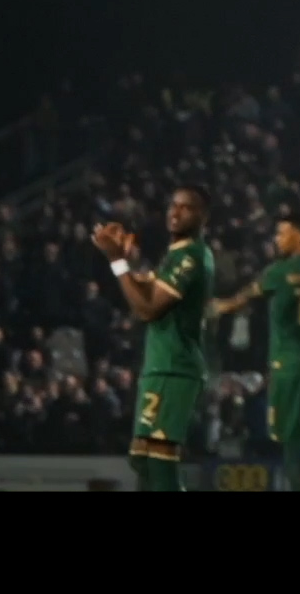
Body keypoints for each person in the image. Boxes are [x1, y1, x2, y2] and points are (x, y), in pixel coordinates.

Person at [90, 185, 217, 492]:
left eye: (186, 207)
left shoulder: (191, 256)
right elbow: (147, 288)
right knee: (143, 460)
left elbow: (148, 308)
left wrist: (117, 262)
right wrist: (127, 261)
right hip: (160, 365)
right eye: (173, 205)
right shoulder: (175, 255)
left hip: (176, 366)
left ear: (204, 217)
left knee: (160, 460)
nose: (175, 212)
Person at [210, 212, 300, 491]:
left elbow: (246, 296)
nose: (277, 239)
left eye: (282, 233)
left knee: (291, 433)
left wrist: (221, 306)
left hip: (289, 361)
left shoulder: (280, 272)